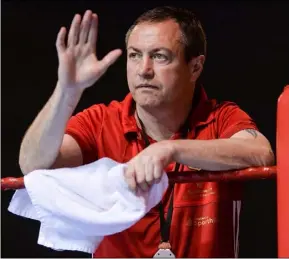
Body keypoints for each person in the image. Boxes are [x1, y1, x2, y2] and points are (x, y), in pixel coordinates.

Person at [19, 6, 274, 258]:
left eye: (160, 56)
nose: (144, 69)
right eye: (135, 55)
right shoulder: (101, 120)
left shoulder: (221, 117)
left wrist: (170, 150)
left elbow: (261, 153)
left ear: (195, 67)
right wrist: (66, 91)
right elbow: (33, 164)